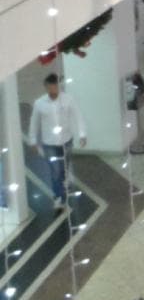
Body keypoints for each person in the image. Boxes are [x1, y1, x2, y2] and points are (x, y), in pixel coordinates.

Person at [27, 72, 87, 210]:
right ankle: (59, 196)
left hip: (66, 140)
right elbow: (34, 122)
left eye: (55, 86)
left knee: (64, 167)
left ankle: (63, 182)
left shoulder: (68, 99)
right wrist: (32, 140)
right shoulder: (39, 103)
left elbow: (78, 116)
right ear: (46, 87)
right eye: (50, 86)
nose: (52, 89)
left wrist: (82, 134)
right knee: (55, 171)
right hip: (49, 144)